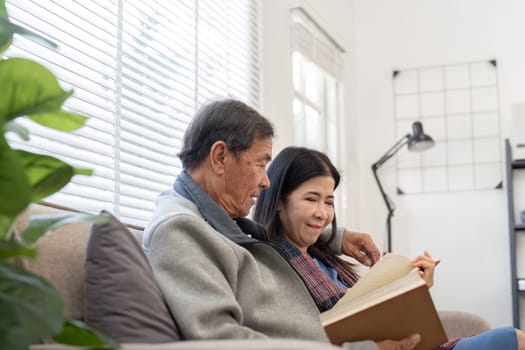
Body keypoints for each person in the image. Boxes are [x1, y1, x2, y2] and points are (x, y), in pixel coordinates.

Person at [142, 99, 421, 350]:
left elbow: (271, 236)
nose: (266, 182)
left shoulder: (218, 219)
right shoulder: (179, 230)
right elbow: (221, 340)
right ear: (220, 158)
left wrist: (336, 237)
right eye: (260, 164)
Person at [252, 145, 525, 350]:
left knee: (513, 339)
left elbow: (372, 313)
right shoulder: (273, 267)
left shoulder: (322, 253)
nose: (323, 213)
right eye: (311, 199)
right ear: (278, 200)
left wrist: (413, 290)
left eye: (329, 202)